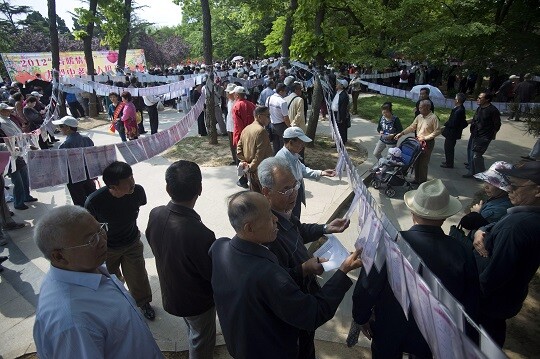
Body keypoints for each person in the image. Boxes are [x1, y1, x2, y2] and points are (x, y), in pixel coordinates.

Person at [209, 190, 363, 359]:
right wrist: (342, 271)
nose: (276, 219)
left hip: (240, 345)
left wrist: (303, 269)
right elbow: (313, 313)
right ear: (249, 227)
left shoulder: (219, 247)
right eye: (268, 215)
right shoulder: (267, 274)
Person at [351, 179, 479, 358]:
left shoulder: (389, 243)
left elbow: (366, 287)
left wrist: (361, 317)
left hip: (389, 328)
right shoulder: (462, 252)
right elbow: (471, 303)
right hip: (434, 335)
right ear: (444, 216)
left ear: (412, 211)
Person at [32, 206, 163, 358]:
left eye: (100, 229)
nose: (103, 241)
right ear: (59, 257)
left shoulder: (89, 268)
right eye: (91, 240)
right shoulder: (72, 322)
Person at [258, 157, 348, 359]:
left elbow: (297, 229)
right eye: (286, 190)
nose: (294, 193)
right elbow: (278, 284)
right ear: (266, 192)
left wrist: (325, 228)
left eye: (295, 185)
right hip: (294, 314)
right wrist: (304, 269)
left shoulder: (283, 212)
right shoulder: (267, 232)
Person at [147, 160, 216, 358]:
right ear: (200, 189)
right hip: (196, 301)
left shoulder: (156, 213)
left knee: (193, 330)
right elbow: (211, 273)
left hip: (172, 291)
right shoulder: (200, 234)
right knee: (201, 340)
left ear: (168, 188)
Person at [473, 160, 540, 346]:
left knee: (482, 341)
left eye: (516, 185)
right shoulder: (527, 217)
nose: (508, 188)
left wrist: (470, 296)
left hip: (489, 304)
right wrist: (482, 229)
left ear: (538, 191)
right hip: (507, 299)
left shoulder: (516, 227)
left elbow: (495, 275)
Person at [84, 161, 155, 320]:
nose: (132, 183)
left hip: (132, 242)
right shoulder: (94, 202)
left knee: (138, 276)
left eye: (132, 177)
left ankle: (144, 303)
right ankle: (118, 305)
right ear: (113, 187)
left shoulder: (138, 192)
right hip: (107, 249)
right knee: (112, 280)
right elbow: (89, 227)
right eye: (127, 182)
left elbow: (140, 204)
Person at [275, 127, 336, 218]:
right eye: (300, 142)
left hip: (295, 192)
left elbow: (302, 169)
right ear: (291, 142)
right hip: (288, 197)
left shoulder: (292, 154)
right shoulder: (281, 159)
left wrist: (321, 173)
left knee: (296, 219)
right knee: (291, 220)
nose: (302, 145)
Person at [51, 116, 97, 207]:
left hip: (73, 178)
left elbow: (62, 164)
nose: (59, 129)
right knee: (93, 197)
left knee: (79, 200)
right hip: (88, 173)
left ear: (68, 128)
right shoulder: (87, 139)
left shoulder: (65, 145)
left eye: (61, 126)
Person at [395, 100, 441, 184]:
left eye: (420, 107)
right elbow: (412, 127)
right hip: (418, 142)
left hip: (427, 143)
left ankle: (422, 182)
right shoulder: (419, 116)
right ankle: (416, 179)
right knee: (416, 161)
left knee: (423, 163)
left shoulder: (434, 118)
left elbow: (437, 131)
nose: (419, 109)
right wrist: (402, 133)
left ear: (427, 107)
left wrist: (426, 137)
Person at [460, 161, 513, 232]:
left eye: (492, 183)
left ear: (504, 187)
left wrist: (475, 214)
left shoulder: (497, 210)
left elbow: (475, 227)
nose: (486, 186)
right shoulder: (498, 197)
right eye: (486, 180)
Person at [463, 92, 501, 178]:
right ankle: (471, 172)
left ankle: (481, 175)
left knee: (477, 156)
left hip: (484, 137)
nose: (478, 99)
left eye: (480, 98)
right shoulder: (479, 108)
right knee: (471, 154)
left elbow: (497, 125)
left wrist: (491, 135)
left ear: (487, 99)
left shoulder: (493, 110)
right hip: (475, 134)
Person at [236, 106, 273, 192]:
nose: (269, 119)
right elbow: (259, 155)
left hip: (251, 171)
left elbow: (239, 149)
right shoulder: (261, 131)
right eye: (267, 116)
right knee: (265, 198)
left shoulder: (246, 129)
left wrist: (246, 163)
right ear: (259, 116)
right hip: (261, 171)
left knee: (255, 197)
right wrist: (251, 167)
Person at [232, 86, 256, 188]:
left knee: (241, 159)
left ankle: (243, 181)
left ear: (237, 95)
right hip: (252, 135)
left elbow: (238, 125)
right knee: (252, 158)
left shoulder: (236, 106)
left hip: (241, 137)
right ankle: (253, 180)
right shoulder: (252, 105)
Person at [441, 92, 468, 168]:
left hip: (452, 133)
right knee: (448, 147)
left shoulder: (459, 110)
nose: (454, 100)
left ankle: (449, 163)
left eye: (455, 98)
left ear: (458, 100)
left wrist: (446, 123)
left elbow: (453, 123)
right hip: (453, 132)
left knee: (449, 148)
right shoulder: (459, 109)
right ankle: (448, 161)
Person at [266, 83, 291, 154]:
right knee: (283, 146)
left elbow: (267, 112)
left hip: (272, 124)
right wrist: (290, 127)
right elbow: (285, 117)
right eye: (285, 91)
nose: (286, 93)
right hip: (281, 126)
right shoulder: (282, 102)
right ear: (281, 91)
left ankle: (275, 160)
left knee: (275, 145)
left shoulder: (269, 98)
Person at [331, 79, 350, 144]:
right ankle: (337, 143)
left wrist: (341, 118)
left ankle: (341, 144)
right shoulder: (337, 92)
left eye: (338, 83)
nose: (336, 84)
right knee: (336, 129)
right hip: (334, 114)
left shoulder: (344, 95)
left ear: (342, 86)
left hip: (340, 115)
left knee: (341, 130)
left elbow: (343, 109)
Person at [224, 83, 237, 165]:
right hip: (229, 126)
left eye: (229, 92)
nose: (227, 94)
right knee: (231, 144)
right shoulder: (229, 101)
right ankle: (234, 159)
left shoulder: (236, 102)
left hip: (235, 127)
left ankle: (237, 159)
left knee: (236, 145)